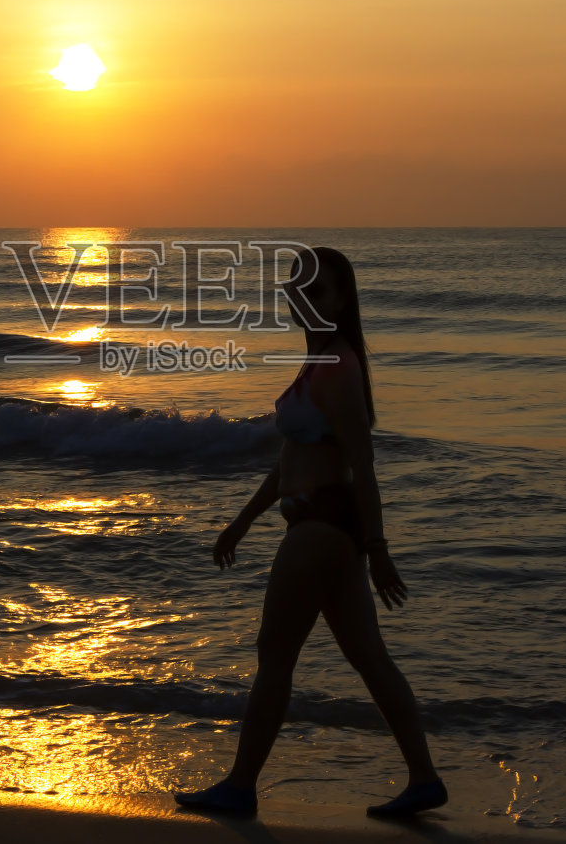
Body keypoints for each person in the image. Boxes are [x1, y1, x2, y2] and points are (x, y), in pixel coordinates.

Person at [173, 246, 447, 820]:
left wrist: (378, 551)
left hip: (322, 528)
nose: (304, 299)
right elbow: (290, 461)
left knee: (274, 656)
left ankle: (241, 786)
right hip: (324, 527)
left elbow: (362, 465)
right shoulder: (319, 361)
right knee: (369, 657)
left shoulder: (338, 367)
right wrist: (243, 522)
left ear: (342, 299)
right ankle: (423, 778)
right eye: (297, 289)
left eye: (317, 291)